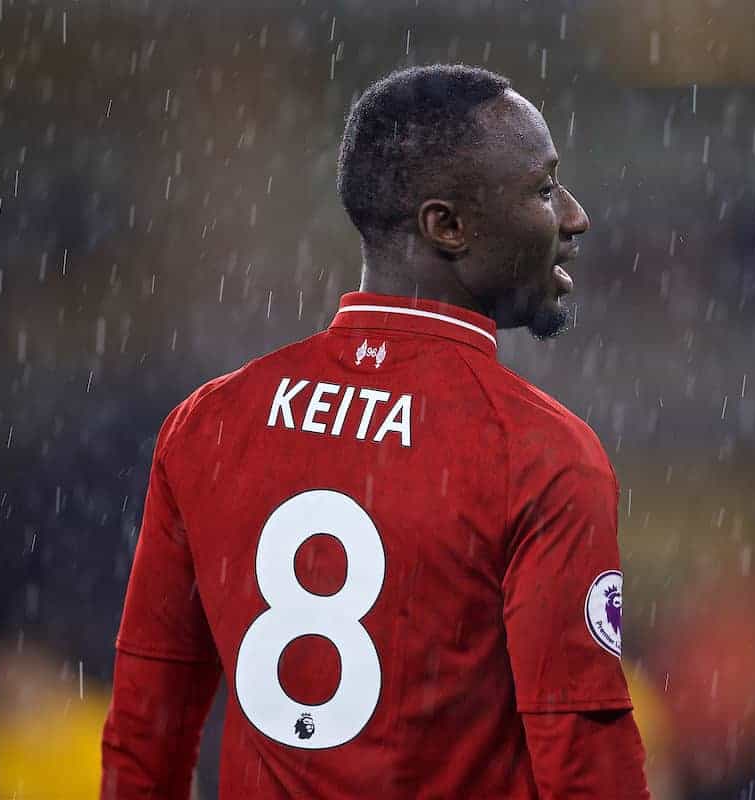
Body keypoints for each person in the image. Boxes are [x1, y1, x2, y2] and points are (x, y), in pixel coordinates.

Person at [100, 64, 651, 798]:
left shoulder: (211, 423)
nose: (574, 217)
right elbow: (586, 765)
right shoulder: (542, 454)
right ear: (446, 226)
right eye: (545, 189)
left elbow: (146, 729)